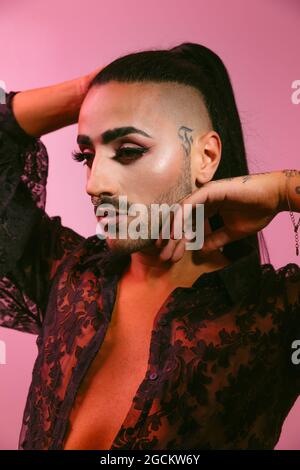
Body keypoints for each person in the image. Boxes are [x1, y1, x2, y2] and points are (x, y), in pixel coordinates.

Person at [0, 42, 300, 451]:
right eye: (86, 155)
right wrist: (86, 90)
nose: (94, 184)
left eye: (128, 151)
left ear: (206, 157)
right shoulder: (69, 276)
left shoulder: (276, 314)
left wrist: (284, 189)